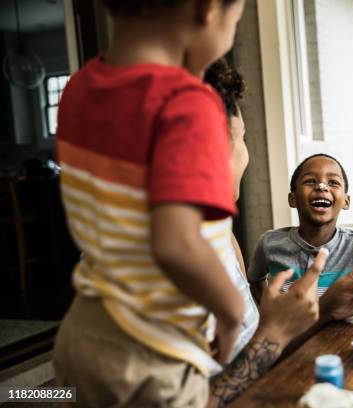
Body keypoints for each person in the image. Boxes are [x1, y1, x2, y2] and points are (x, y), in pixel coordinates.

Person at [53, 1, 252, 406]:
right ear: (209, 9)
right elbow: (175, 244)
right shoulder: (189, 104)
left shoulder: (78, 89)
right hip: (154, 354)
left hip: (84, 328)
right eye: (235, 21)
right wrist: (231, 314)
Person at [203, 60, 353, 407]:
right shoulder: (144, 269)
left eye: (332, 182)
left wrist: (321, 311)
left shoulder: (222, 237)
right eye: (242, 138)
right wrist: (279, 328)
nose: (246, 155)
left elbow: (256, 355)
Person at [248, 154, 353, 302]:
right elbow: (254, 280)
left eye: (333, 182)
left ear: (346, 201)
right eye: (310, 181)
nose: (322, 186)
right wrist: (269, 309)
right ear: (293, 199)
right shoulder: (268, 243)